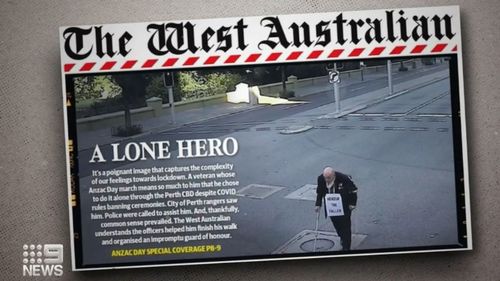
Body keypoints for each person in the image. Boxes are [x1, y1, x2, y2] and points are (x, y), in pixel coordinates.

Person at [315, 167, 358, 251]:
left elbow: (353, 191)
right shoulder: (321, 179)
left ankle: (346, 247)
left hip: (344, 206)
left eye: (329, 178)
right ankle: (342, 237)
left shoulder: (343, 178)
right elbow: (319, 192)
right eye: (325, 178)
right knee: (337, 225)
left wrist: (352, 204)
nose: (327, 180)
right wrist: (318, 204)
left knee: (345, 226)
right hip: (331, 207)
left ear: (333, 175)